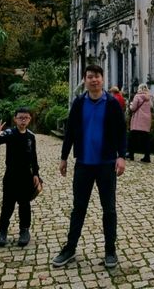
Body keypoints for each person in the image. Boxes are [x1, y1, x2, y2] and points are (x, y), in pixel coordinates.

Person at [52, 65, 126, 269]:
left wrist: (122, 156)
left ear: (103, 79)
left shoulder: (112, 103)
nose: (94, 80)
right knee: (78, 208)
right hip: (83, 163)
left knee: (109, 209)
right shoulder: (78, 103)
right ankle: (70, 248)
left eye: (97, 76)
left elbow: (121, 131)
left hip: (106, 164)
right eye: (90, 77)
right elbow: (70, 132)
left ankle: (110, 250)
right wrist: (64, 157)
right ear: (85, 79)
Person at [0, 107, 41, 248]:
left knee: (24, 205)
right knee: (7, 205)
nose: (23, 120)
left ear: (30, 119)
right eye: (20, 117)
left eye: (26, 118)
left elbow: (33, 157)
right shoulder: (9, 133)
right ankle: (2, 231)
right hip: (11, 176)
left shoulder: (31, 136)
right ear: (15, 119)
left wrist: (36, 174)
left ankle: (24, 230)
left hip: (26, 177)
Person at [126, 83, 152, 163]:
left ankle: (131, 154)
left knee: (132, 138)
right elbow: (151, 107)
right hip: (146, 120)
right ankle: (147, 156)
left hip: (137, 120)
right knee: (146, 139)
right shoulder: (149, 97)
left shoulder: (137, 96)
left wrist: (130, 105)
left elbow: (133, 108)